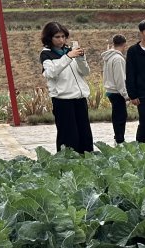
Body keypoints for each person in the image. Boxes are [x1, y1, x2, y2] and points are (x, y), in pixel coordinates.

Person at [39, 21, 93, 153]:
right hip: (63, 100)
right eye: (57, 37)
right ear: (49, 38)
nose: (61, 40)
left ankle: (87, 160)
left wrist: (81, 59)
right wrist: (68, 57)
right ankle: (67, 161)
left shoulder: (70, 51)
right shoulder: (46, 54)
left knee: (85, 135)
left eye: (63, 36)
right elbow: (50, 73)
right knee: (68, 136)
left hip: (80, 98)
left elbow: (85, 72)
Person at [101, 34, 129, 144]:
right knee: (121, 117)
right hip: (117, 92)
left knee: (117, 115)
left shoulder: (108, 57)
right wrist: (125, 94)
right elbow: (120, 78)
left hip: (110, 90)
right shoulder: (118, 59)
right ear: (124, 45)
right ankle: (119, 140)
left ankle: (117, 138)